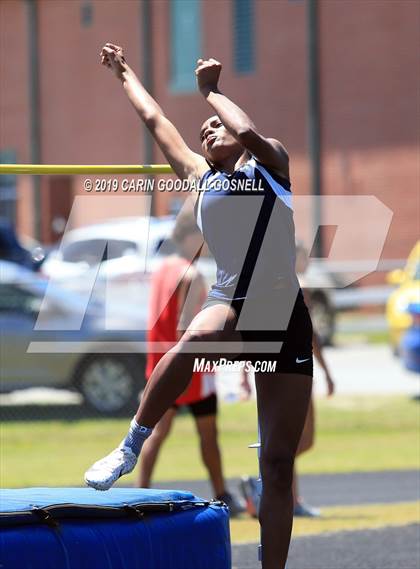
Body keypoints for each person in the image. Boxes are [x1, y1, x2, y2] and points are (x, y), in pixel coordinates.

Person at [85, 43, 314, 569]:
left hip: (284, 321)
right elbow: (154, 116)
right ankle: (130, 445)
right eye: (203, 128)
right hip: (231, 302)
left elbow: (251, 132)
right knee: (198, 338)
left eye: (216, 125)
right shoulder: (199, 176)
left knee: (278, 466)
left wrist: (214, 92)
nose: (206, 130)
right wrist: (123, 74)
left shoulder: (271, 166)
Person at [138, 214, 244, 516]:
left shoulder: (162, 270)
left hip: (161, 363)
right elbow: (186, 328)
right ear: (187, 237)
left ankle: (139, 494)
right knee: (208, 433)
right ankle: (222, 493)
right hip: (191, 367)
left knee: (154, 431)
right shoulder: (191, 273)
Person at [240, 242, 335, 518]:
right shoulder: (298, 286)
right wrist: (327, 372)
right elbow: (311, 336)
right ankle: (266, 486)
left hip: (273, 372)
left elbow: (252, 334)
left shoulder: (263, 286)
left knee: (288, 441)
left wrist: (245, 376)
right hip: (295, 372)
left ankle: (288, 496)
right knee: (298, 441)